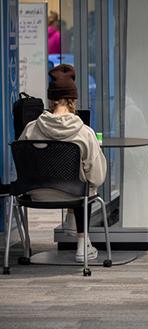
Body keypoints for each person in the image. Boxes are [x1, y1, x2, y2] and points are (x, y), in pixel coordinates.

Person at [19, 64, 107, 262]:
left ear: (50, 99)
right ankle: (82, 244)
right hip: (73, 195)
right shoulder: (84, 132)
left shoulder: (31, 129)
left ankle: (68, 222)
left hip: (36, 194)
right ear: (72, 100)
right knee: (84, 181)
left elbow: (23, 164)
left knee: (72, 180)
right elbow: (98, 177)